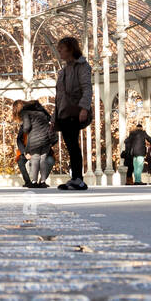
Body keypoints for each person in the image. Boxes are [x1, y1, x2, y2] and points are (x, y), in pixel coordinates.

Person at [53, 36, 93, 190]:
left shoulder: (81, 66)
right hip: (63, 113)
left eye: (61, 49)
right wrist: (54, 119)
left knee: (73, 146)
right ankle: (75, 177)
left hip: (74, 112)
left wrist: (84, 108)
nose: (60, 52)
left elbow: (87, 88)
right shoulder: (64, 71)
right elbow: (59, 97)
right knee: (70, 146)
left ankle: (78, 178)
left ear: (70, 49)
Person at [15, 98, 55, 188]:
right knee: (25, 161)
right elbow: (19, 140)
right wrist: (25, 153)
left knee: (41, 160)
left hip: (34, 144)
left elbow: (26, 128)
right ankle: (34, 181)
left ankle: (36, 181)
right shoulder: (43, 114)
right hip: (36, 146)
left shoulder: (27, 115)